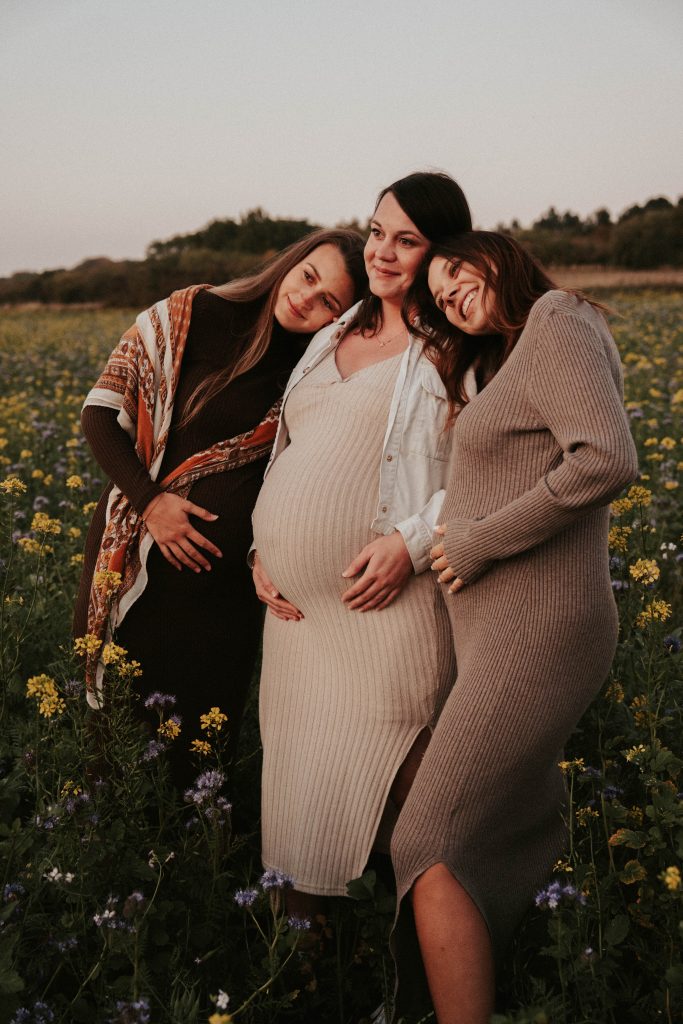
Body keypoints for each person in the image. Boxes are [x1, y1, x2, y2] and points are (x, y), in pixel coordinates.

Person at [389, 231, 639, 1023]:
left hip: (539, 628)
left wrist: (471, 541)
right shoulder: (517, 349)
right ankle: (522, 981)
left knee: (425, 836)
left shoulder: (556, 317)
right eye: (439, 291)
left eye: (458, 271)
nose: (452, 293)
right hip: (507, 631)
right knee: (505, 826)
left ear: (501, 256)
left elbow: (605, 458)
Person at [250, 172, 475, 920]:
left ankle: (433, 968)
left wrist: (408, 545)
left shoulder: (455, 344)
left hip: (387, 606)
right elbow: (290, 449)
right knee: (304, 797)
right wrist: (263, 549)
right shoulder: (329, 334)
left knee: (414, 789)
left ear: (439, 252)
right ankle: (310, 976)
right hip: (297, 626)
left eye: (405, 240)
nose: (380, 251)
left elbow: (491, 471)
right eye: (376, 230)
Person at [73, 228, 366, 787]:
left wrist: (262, 553)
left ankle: (197, 866)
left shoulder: (317, 369)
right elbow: (99, 414)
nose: (307, 299)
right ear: (290, 263)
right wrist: (151, 501)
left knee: (203, 753)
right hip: (140, 571)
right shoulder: (189, 313)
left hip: (223, 598)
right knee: (116, 740)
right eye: (308, 277)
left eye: (329, 301)